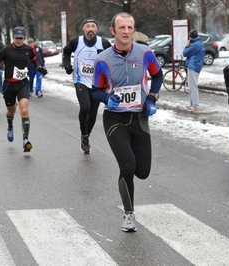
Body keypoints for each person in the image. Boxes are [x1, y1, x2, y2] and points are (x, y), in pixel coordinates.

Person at [92, 12, 163, 232]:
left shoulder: (145, 53)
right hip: (115, 119)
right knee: (127, 165)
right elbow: (95, 91)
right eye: (121, 28)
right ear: (113, 31)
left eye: (129, 28)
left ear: (134, 30)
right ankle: (129, 214)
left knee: (142, 172)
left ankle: (129, 190)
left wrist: (151, 97)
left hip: (139, 118)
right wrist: (107, 98)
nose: (125, 32)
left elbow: (158, 76)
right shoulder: (102, 59)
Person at [0, 26, 48, 152]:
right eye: (17, 38)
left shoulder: (28, 49)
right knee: (11, 111)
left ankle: (25, 140)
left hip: (23, 83)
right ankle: (10, 126)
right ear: (13, 37)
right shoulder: (6, 50)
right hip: (9, 85)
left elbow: (35, 61)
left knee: (24, 110)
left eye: (21, 38)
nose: (19, 40)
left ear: (24, 38)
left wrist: (39, 68)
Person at [63, 18, 112, 154]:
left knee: (93, 112)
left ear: (96, 29)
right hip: (81, 80)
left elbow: (112, 57)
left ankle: (85, 137)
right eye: (87, 26)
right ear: (83, 29)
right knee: (85, 107)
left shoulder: (104, 43)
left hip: (97, 82)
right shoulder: (76, 42)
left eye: (93, 26)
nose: (90, 29)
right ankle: (84, 133)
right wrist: (67, 65)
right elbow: (66, 51)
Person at [183, 29, 205, 114]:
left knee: (193, 87)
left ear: (190, 37)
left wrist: (187, 45)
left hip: (193, 66)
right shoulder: (200, 44)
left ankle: (196, 106)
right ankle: (192, 105)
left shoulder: (195, 45)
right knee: (191, 86)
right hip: (197, 66)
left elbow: (185, 53)